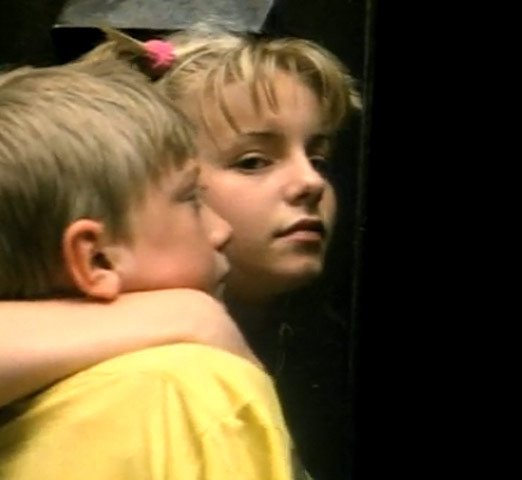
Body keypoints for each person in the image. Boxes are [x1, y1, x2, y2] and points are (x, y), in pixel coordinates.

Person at [0, 27, 360, 478]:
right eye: (252, 161)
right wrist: (189, 316)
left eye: (319, 158)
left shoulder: (314, 344)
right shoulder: (185, 390)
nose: (311, 182)